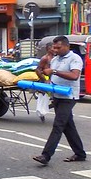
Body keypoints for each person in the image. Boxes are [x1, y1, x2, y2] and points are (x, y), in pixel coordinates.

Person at [33, 36, 87, 165]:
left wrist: (55, 71)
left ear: (66, 46)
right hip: (57, 95)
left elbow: (74, 76)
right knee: (68, 126)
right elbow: (47, 74)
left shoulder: (75, 58)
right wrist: (44, 76)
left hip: (68, 97)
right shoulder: (55, 59)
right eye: (54, 47)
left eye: (58, 47)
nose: (55, 50)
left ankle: (46, 155)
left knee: (58, 125)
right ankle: (80, 153)